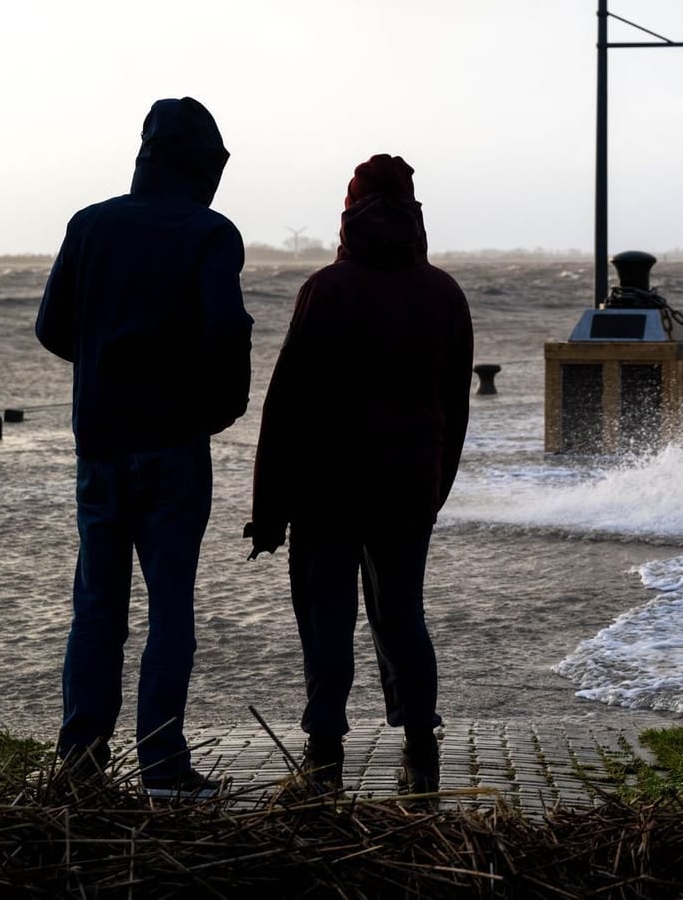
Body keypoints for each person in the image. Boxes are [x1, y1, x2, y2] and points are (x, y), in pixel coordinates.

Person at [35, 97, 252, 799]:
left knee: (97, 608)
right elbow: (226, 331)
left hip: (98, 447)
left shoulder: (89, 225)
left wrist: (104, 364)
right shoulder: (210, 233)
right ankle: (162, 763)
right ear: (203, 166)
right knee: (170, 608)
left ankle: (81, 762)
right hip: (172, 448)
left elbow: (51, 327)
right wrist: (215, 409)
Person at [249, 154, 473, 797]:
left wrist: (268, 509)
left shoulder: (327, 288)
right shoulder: (444, 294)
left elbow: (285, 402)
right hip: (408, 485)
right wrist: (436, 487)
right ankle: (420, 749)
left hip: (326, 487)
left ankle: (323, 754)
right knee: (402, 613)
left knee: (326, 616)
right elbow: (453, 408)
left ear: (349, 216)